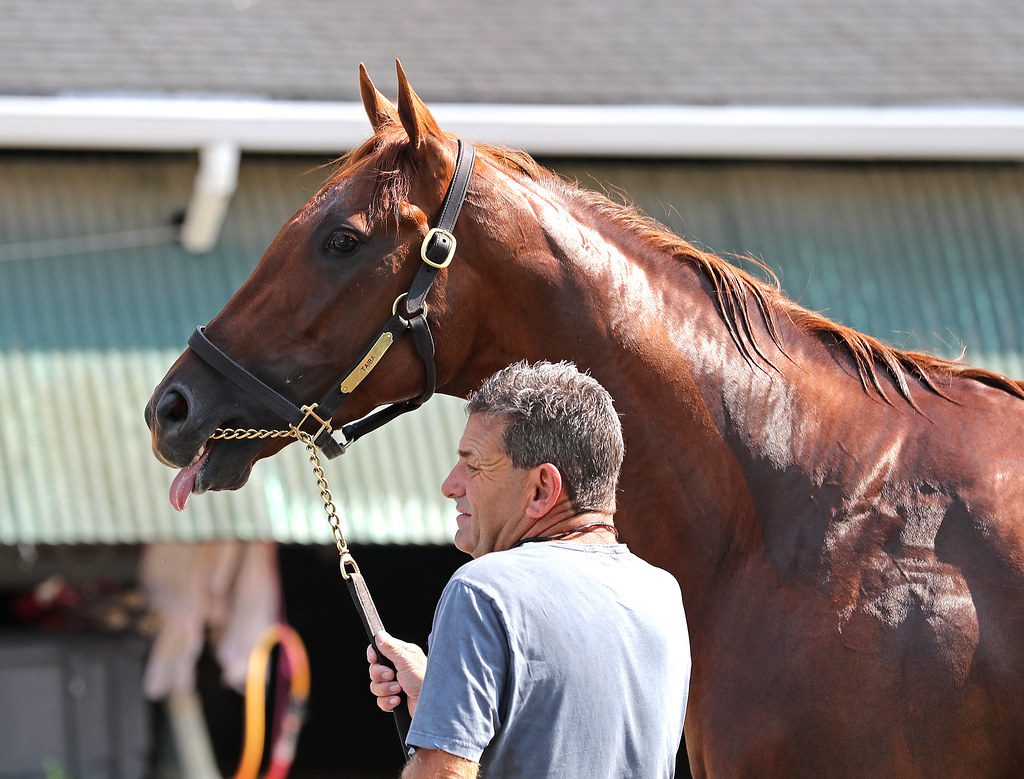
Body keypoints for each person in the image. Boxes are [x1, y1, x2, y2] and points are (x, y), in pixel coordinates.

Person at [367, 360, 690, 778]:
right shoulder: (661, 594)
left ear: (541, 489)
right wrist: (444, 704)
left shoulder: (483, 591)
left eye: (474, 465)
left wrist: (434, 750)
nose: (450, 485)